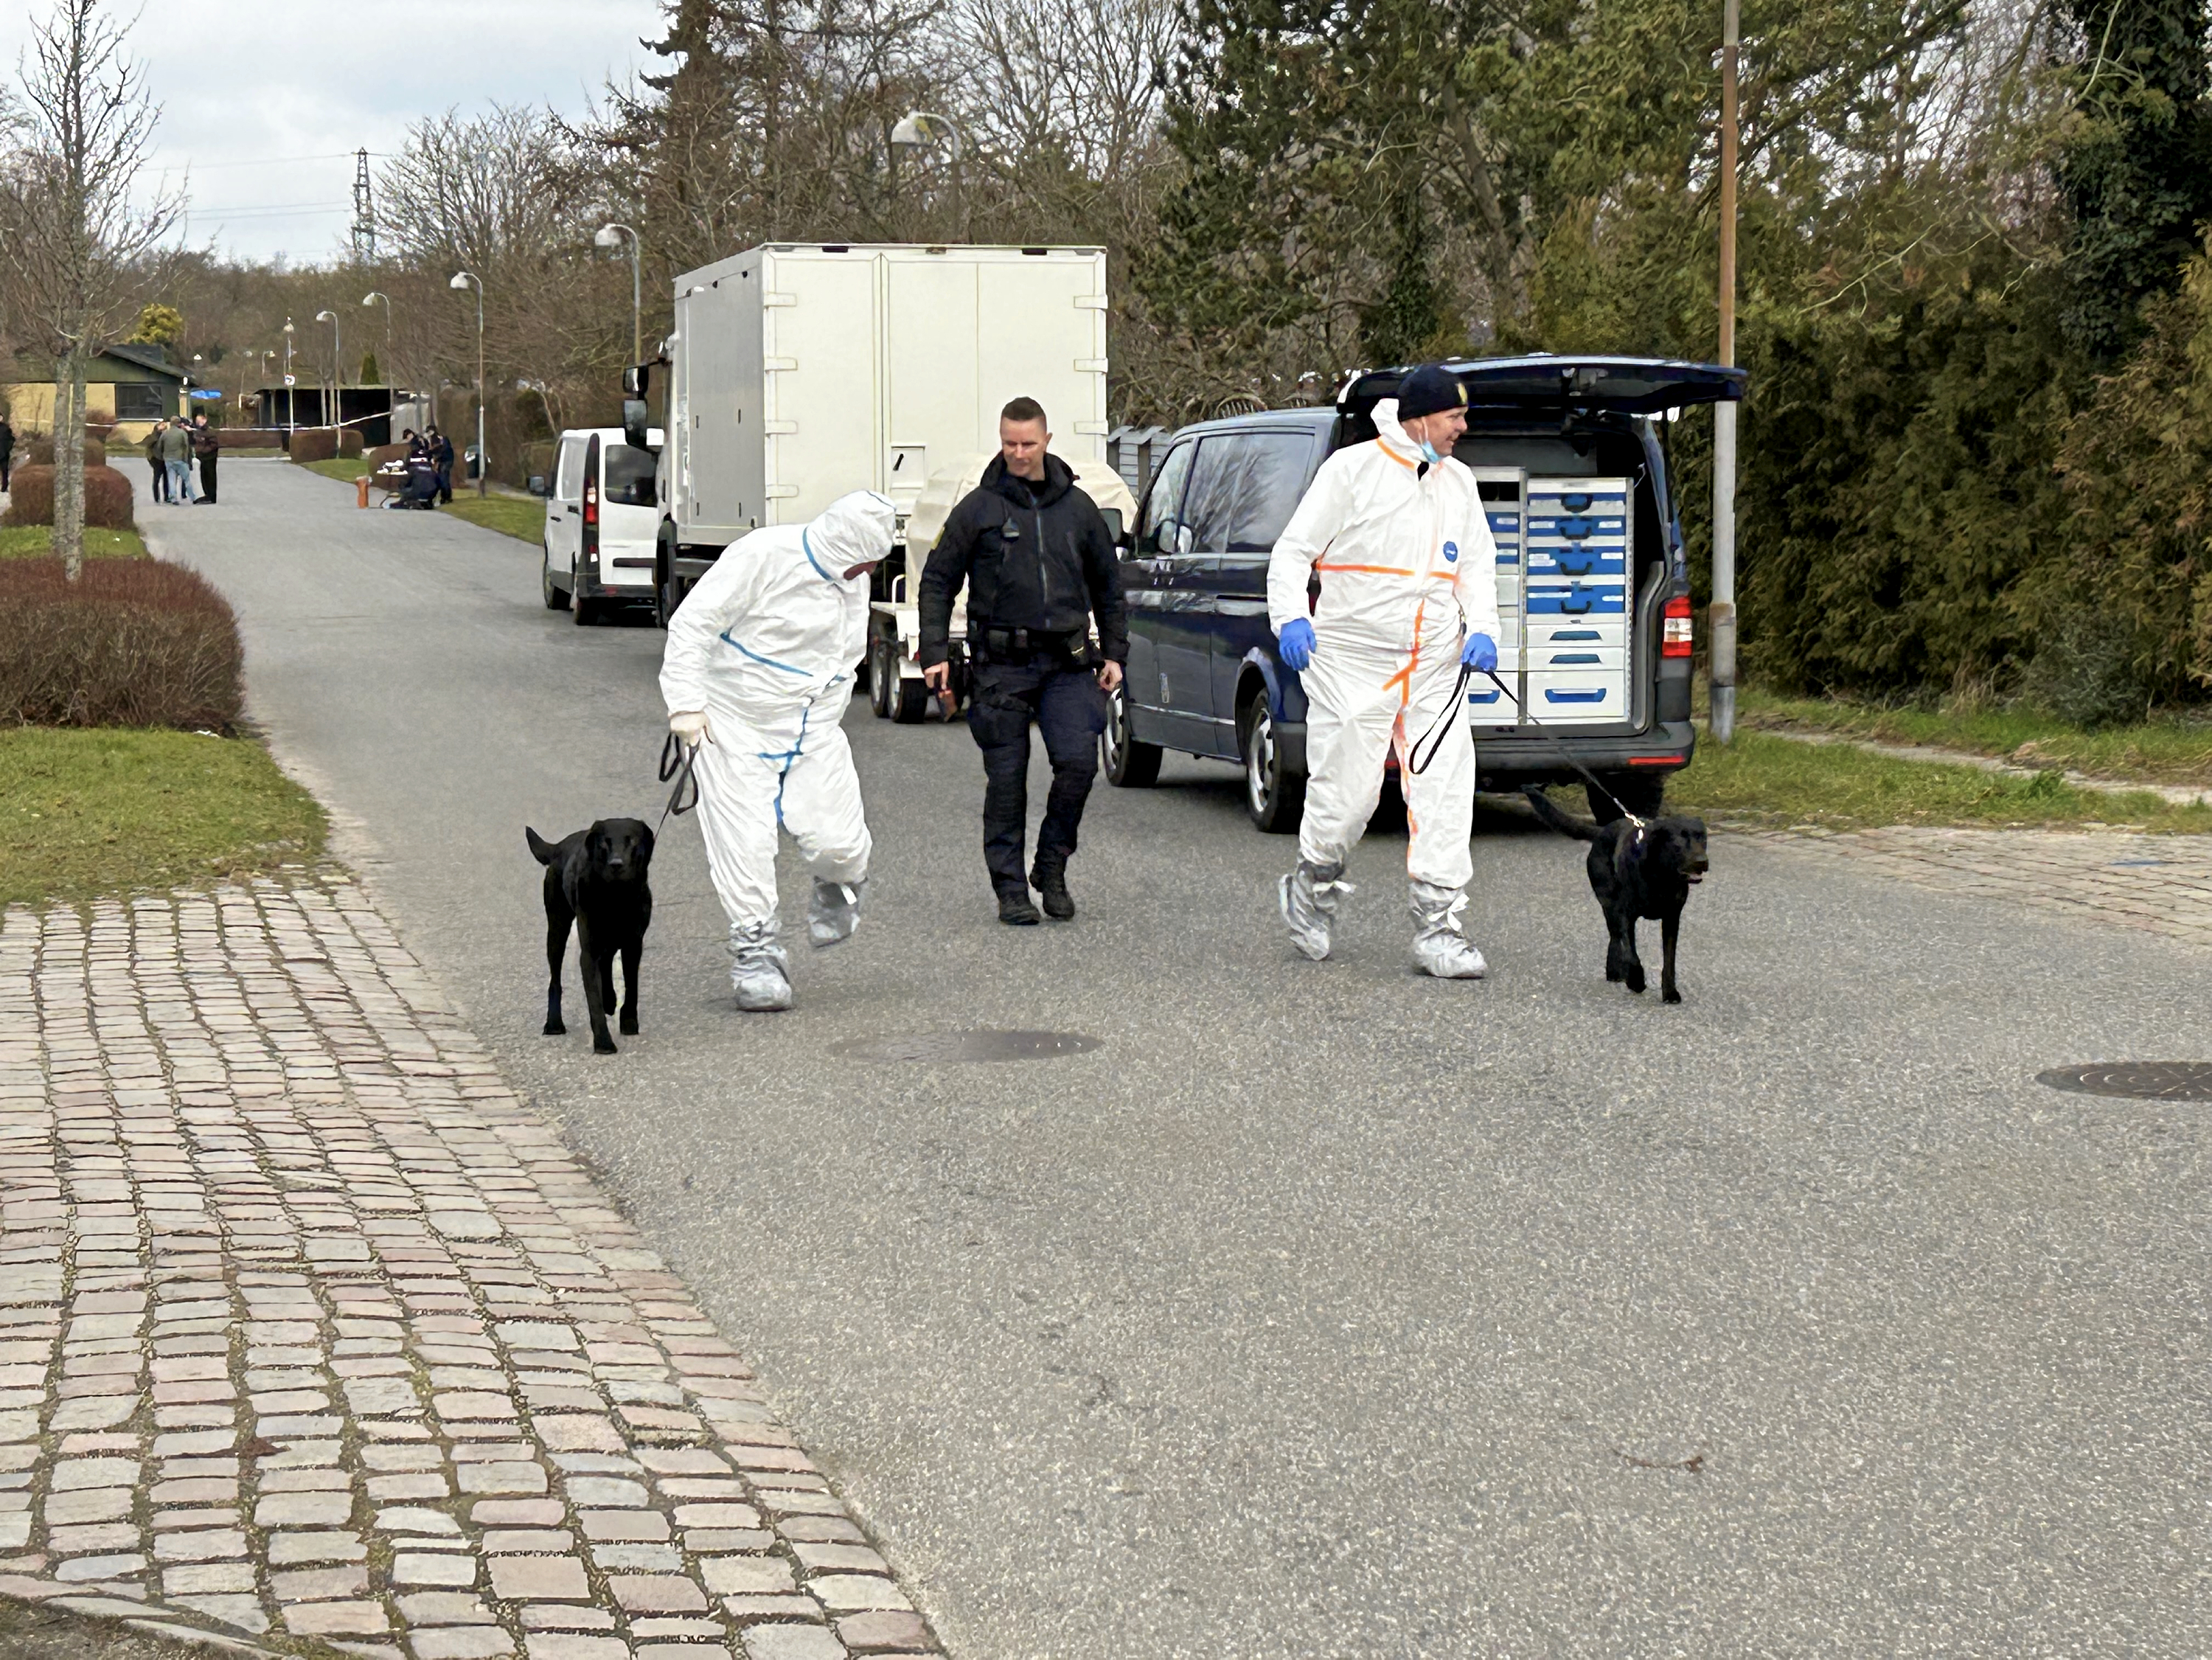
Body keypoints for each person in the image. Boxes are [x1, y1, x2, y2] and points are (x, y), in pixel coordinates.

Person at [1267, 364, 1500, 977]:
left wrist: (1482, 628)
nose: (1463, 428)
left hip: (1435, 665)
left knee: (1444, 792)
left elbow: (1477, 567)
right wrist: (1292, 616)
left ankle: (1440, 929)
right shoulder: (1351, 471)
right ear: (1420, 416)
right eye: (1455, 417)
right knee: (1348, 797)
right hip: (1353, 662)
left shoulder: (1459, 484)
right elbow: (1292, 552)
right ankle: (1312, 891)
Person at [660, 490, 894, 1011]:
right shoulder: (762, 556)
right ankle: (756, 954)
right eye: (866, 561)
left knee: (843, 839)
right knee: (744, 843)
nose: (869, 570)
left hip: (813, 730)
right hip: (737, 727)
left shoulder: (850, 579)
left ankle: (839, 889)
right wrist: (686, 706)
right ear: (845, 547)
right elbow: (692, 625)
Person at [917, 397, 1128, 925]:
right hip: (1001, 665)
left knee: (1079, 764)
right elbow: (938, 580)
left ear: (1047, 441)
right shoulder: (978, 509)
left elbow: (1109, 586)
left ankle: (1051, 866)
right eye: (1009, 443)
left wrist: (1116, 654)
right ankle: (1010, 888)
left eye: (1027, 443)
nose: (1018, 452)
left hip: (1067, 661)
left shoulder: (1078, 509)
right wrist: (936, 650)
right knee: (1007, 780)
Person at [158, 416, 195, 504]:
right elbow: (186, 446)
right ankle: (193, 497)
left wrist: (163, 455)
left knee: (171, 479)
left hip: (168, 459)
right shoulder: (182, 433)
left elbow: (160, 446)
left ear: (170, 423)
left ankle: (173, 497)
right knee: (186, 479)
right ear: (178, 423)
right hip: (180, 459)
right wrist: (186, 458)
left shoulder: (165, 433)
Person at [190, 413, 219, 505]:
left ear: (205, 420)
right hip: (202, 458)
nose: (198, 423)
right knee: (203, 476)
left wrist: (204, 451)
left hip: (210, 457)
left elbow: (214, 445)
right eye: (197, 421)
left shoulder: (210, 432)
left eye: (200, 421)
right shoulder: (199, 432)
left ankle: (212, 496)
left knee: (210, 477)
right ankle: (206, 495)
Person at [144, 419, 170, 504]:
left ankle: (166, 496)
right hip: (156, 459)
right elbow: (150, 445)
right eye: (162, 425)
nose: (164, 426)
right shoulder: (152, 436)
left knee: (166, 479)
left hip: (165, 459)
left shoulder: (166, 435)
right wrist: (151, 459)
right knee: (157, 478)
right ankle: (156, 497)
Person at [431, 427, 456, 503]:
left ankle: (446, 497)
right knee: (444, 479)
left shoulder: (445, 444)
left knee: (443, 479)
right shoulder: (445, 444)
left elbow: (443, 454)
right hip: (446, 462)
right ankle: (446, 497)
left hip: (445, 463)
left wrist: (435, 459)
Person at [0, 412, 14, 495]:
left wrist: (7, 449)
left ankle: (4, 488)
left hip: (4, 453)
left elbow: (11, 439)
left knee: (4, 471)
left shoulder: (6, 428)